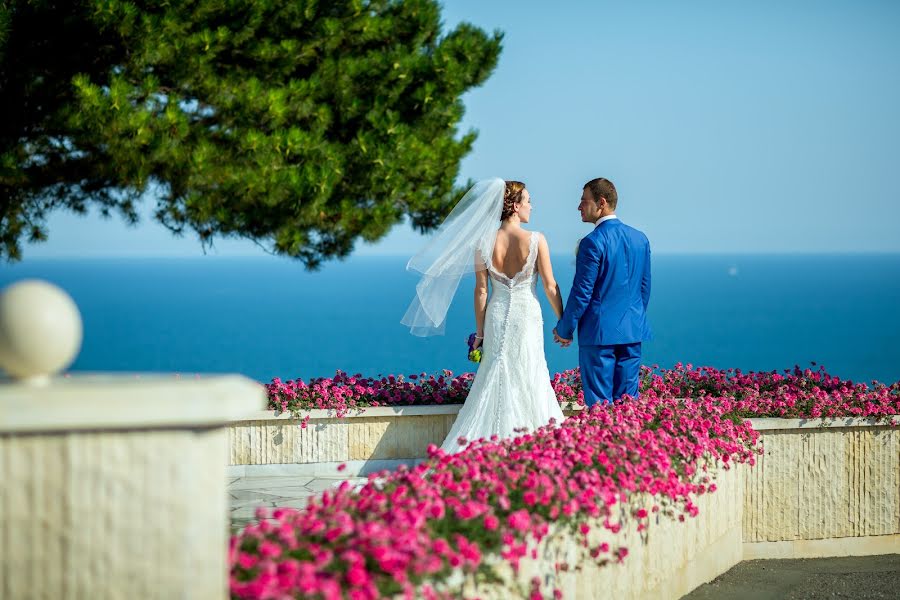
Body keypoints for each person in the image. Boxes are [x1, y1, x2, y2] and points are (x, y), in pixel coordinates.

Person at [402, 178, 565, 453]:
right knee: (530, 370)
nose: (532, 206)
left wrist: (479, 335)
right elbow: (550, 285)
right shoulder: (537, 240)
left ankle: (487, 448)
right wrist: (563, 320)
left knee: (496, 373)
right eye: (528, 201)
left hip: (497, 317)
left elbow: (481, 292)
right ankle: (534, 447)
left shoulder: (482, 243)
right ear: (514, 206)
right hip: (527, 317)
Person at [553, 177, 652, 406]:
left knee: (599, 408)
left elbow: (582, 293)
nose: (579, 206)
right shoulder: (641, 239)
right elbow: (644, 288)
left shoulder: (593, 242)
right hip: (631, 332)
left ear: (601, 203)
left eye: (584, 200)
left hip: (599, 336)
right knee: (628, 406)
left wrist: (565, 330)